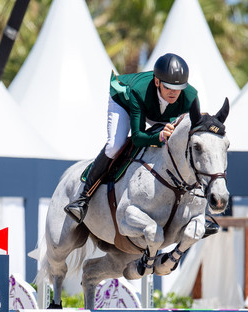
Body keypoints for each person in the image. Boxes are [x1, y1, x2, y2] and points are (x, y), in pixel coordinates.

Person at [64, 53, 199, 224]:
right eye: (168, 87)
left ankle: (200, 209)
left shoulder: (190, 96)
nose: (174, 93)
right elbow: (137, 137)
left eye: (178, 89)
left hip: (158, 111)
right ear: (157, 82)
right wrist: (158, 137)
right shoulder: (139, 91)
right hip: (126, 100)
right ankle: (83, 198)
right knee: (115, 145)